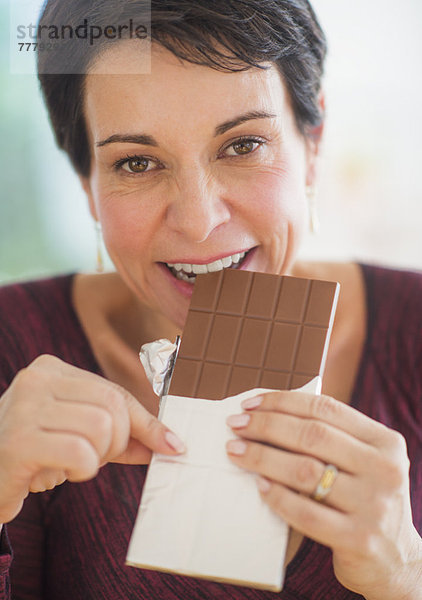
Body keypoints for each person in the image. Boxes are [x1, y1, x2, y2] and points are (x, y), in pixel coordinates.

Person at [0, 1, 421, 598]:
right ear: (88, 187)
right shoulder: (8, 349)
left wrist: (407, 571)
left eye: (243, 145)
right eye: (137, 162)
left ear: (314, 144)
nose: (198, 222)